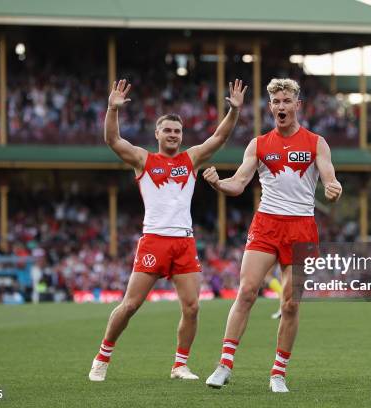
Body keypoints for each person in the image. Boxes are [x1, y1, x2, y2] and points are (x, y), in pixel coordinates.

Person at [89, 78, 248, 382]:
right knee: (131, 304)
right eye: (168, 130)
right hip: (154, 242)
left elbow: (219, 138)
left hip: (184, 243)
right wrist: (112, 109)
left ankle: (179, 365)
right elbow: (113, 140)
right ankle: (102, 356)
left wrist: (235, 111)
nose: (173, 135)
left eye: (178, 131)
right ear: (157, 134)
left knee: (192, 307)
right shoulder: (143, 159)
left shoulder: (191, 159)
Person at [203, 78, 342, 392]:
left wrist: (334, 190)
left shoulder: (316, 142)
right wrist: (217, 183)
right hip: (267, 224)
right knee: (248, 291)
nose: (281, 107)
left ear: (297, 105)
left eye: (286, 101)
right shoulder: (259, 144)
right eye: (276, 102)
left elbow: (331, 180)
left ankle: (278, 373)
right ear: (271, 107)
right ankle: (224, 365)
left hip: (302, 228)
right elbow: (238, 183)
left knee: (291, 304)